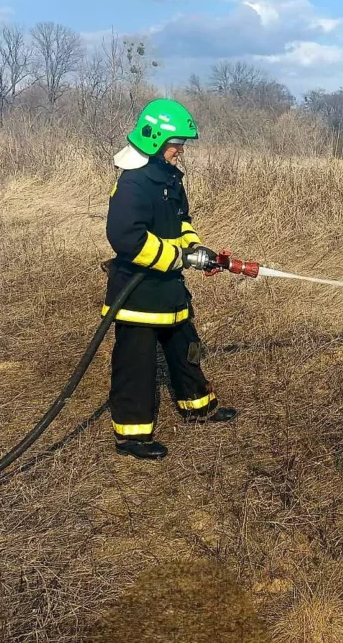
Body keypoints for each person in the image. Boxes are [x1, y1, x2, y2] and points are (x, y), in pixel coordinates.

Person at [102, 97, 237, 460]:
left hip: (170, 291)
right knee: (136, 366)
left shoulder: (169, 178)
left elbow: (181, 222)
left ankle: (198, 407)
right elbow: (125, 236)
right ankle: (133, 436)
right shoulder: (133, 183)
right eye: (176, 143)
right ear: (155, 139)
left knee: (185, 349)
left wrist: (197, 250)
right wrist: (177, 258)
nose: (180, 150)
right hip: (138, 296)